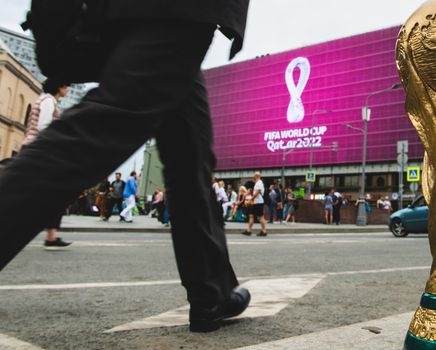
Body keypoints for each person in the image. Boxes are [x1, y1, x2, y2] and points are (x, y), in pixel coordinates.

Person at [0, 0, 251, 333]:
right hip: (174, 11)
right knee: (105, 126)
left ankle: (211, 293)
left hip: (148, 13)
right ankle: (211, 292)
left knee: (192, 158)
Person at [22, 79, 72, 250]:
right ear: (60, 86)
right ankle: (51, 236)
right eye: (66, 85)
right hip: (40, 152)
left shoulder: (44, 100)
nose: (68, 88)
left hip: (36, 150)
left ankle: (51, 236)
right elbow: (44, 126)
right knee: (54, 193)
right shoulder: (49, 101)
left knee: (51, 194)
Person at [242, 172, 266, 236]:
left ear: (256, 176)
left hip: (258, 202)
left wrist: (250, 200)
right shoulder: (257, 183)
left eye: (254, 175)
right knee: (251, 215)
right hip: (255, 202)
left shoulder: (259, 183)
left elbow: (257, 192)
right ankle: (249, 230)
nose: (253, 177)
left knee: (260, 217)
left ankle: (264, 231)